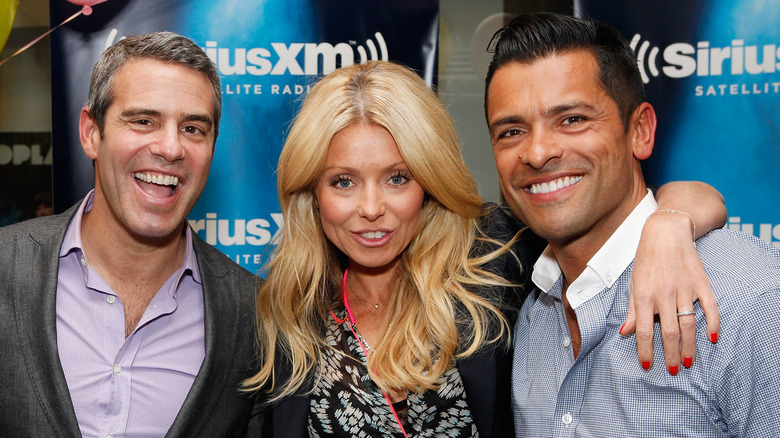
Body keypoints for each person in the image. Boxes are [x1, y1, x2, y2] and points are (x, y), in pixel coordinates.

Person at [245, 61, 726, 437]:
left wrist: (668, 226)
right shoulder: (294, 299)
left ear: (430, 182)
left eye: (398, 178)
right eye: (343, 181)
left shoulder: (497, 253)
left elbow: (674, 199)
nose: (371, 208)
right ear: (313, 190)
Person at [484, 12, 780, 437]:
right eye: (511, 131)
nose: (537, 152)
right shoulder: (531, 313)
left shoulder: (747, 301)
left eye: (572, 119)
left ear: (639, 130)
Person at [0, 32, 259, 437]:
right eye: (143, 121)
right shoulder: (4, 265)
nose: (171, 148)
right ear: (91, 132)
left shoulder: (255, 315)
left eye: (193, 128)